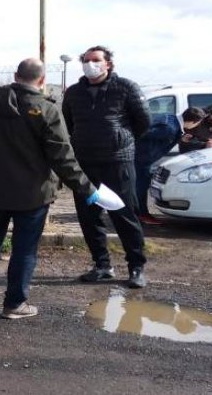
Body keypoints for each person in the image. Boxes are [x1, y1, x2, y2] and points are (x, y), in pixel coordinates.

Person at [0, 58, 97, 319]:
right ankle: (14, 304)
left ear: (16, 75)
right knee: (25, 248)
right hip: (33, 194)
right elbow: (63, 157)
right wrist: (87, 189)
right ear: (42, 80)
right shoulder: (46, 110)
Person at [62, 45, 151, 289]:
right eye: (87, 60)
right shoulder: (74, 93)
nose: (91, 64)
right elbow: (69, 123)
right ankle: (102, 265)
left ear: (108, 63)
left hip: (118, 162)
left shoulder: (126, 88)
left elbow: (144, 122)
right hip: (85, 164)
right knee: (89, 218)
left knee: (125, 216)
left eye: (96, 60)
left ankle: (136, 266)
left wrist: (121, 140)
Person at [133, 112, 181, 225]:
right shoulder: (169, 128)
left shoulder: (170, 117)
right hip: (141, 159)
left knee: (139, 187)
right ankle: (140, 214)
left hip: (140, 158)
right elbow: (143, 133)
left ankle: (139, 213)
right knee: (140, 188)